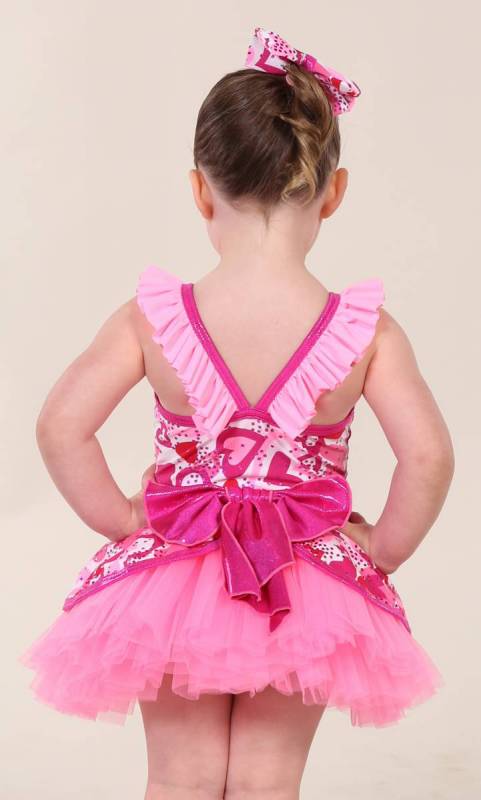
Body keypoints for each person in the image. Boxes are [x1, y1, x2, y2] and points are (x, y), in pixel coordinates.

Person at [19, 26, 454, 800]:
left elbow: (60, 425)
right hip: (303, 577)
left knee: (179, 778)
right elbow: (427, 456)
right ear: (332, 192)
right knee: (265, 781)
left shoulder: (154, 319)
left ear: (199, 191)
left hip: (174, 568)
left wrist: (123, 519)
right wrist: (382, 549)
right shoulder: (364, 333)